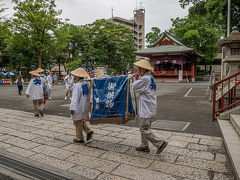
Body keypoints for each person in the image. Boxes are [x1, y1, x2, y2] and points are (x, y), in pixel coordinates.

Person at [132, 59, 168, 154]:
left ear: (144, 69)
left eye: (139, 68)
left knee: (143, 128)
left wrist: (136, 78)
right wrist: (137, 77)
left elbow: (134, 88)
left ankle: (160, 143)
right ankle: (144, 146)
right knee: (146, 127)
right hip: (149, 105)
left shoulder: (145, 78)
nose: (137, 70)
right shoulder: (149, 77)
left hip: (146, 106)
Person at [70, 68, 94, 143]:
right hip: (85, 106)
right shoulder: (86, 84)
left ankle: (79, 138)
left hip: (78, 106)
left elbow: (75, 98)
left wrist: (72, 108)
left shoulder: (77, 85)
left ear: (77, 76)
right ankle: (88, 131)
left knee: (76, 121)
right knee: (80, 120)